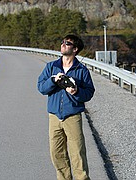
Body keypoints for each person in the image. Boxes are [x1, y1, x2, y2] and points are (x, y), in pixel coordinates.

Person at [37, 34, 95, 180]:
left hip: (72, 116)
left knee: (77, 154)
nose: (63, 44)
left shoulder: (81, 70)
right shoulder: (51, 67)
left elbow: (89, 92)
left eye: (67, 43)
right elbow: (41, 88)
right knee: (56, 154)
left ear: (75, 49)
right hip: (54, 116)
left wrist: (76, 92)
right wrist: (53, 81)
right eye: (63, 42)